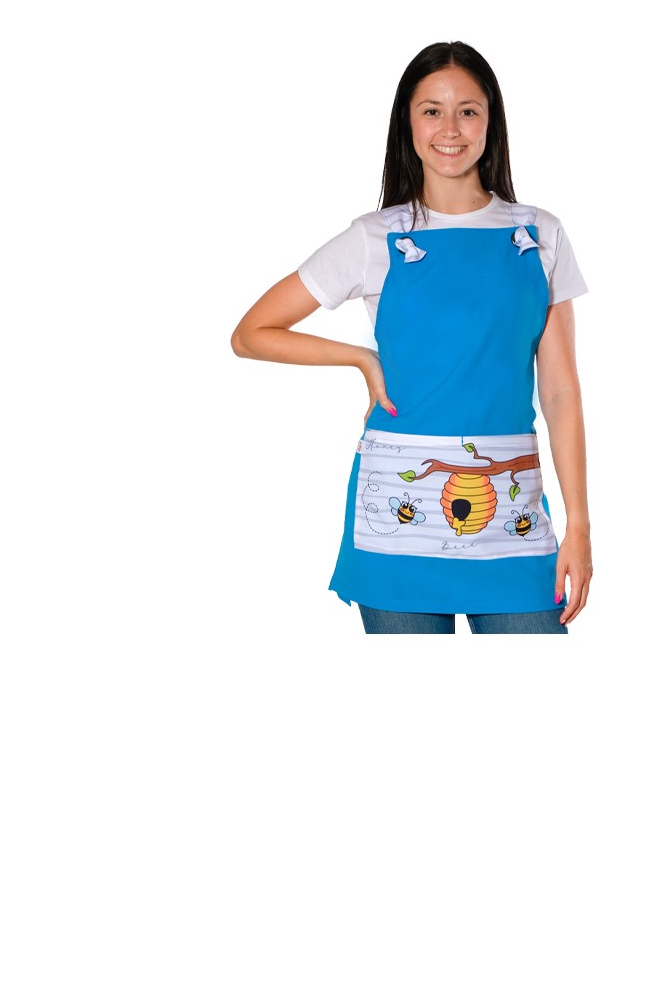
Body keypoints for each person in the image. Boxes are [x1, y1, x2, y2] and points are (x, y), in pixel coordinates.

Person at [230, 41, 592, 634]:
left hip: (513, 517)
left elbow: (559, 391)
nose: (450, 129)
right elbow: (251, 334)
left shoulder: (538, 235)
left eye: (468, 111)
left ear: (491, 121)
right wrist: (360, 358)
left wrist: (579, 525)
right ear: (408, 122)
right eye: (431, 111)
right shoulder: (375, 238)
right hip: (399, 517)